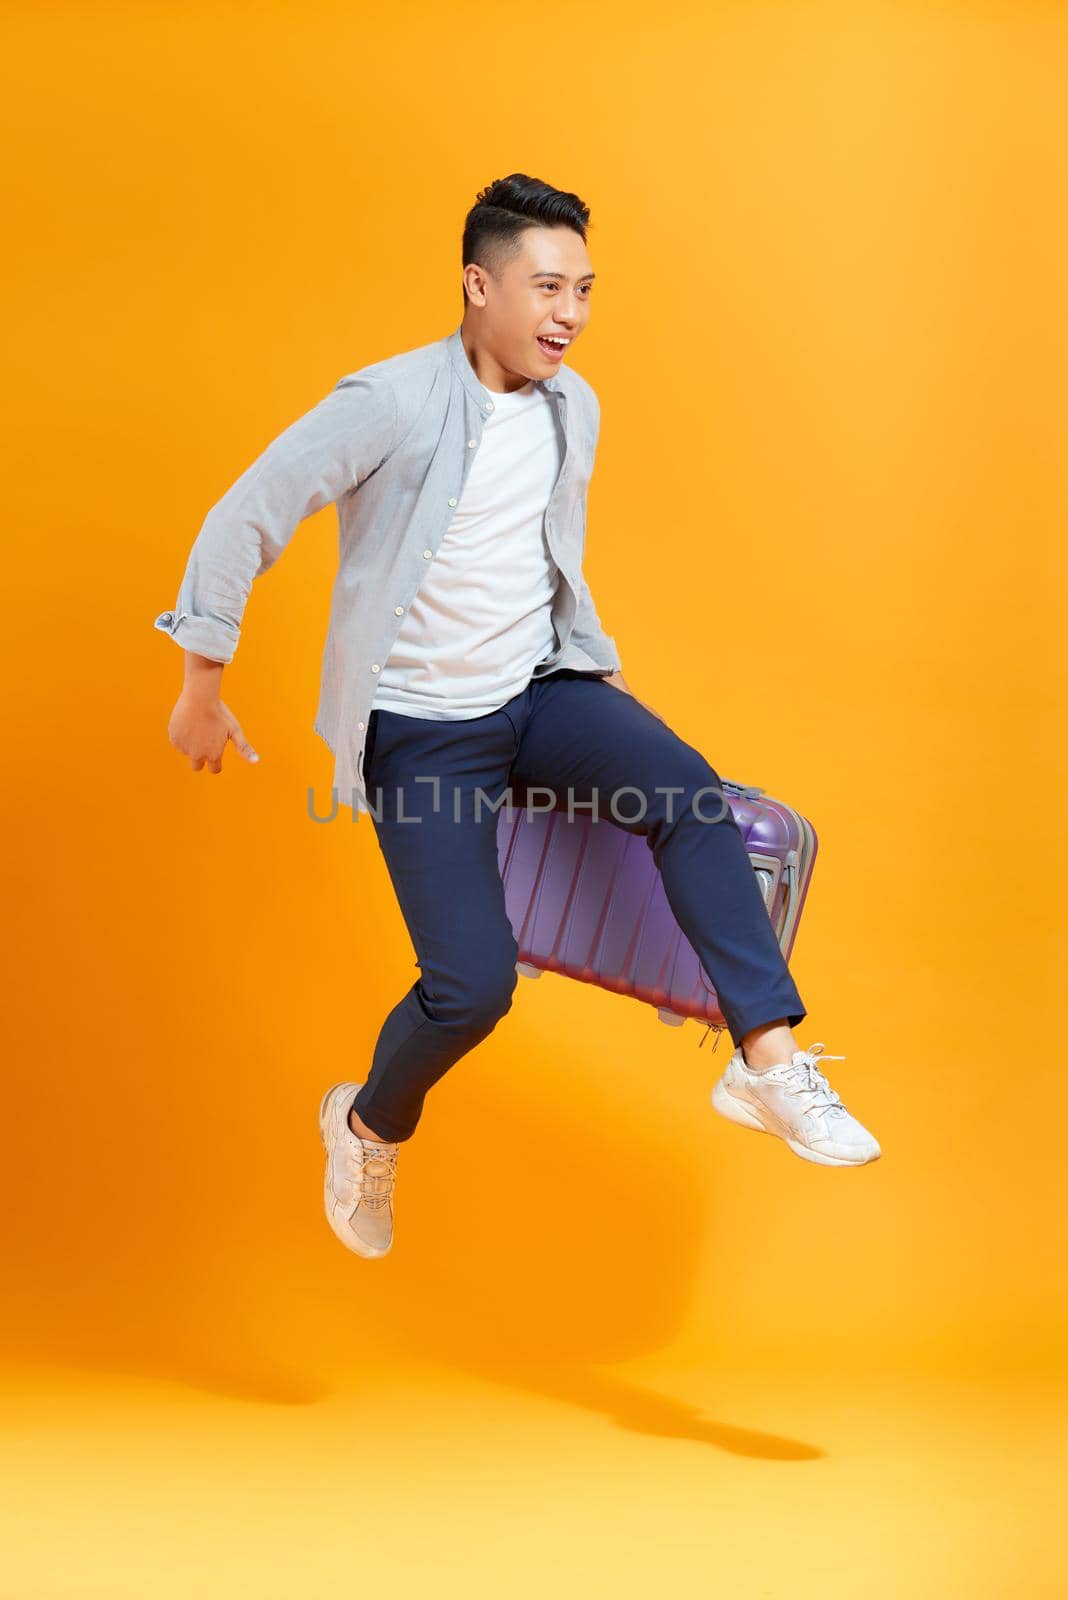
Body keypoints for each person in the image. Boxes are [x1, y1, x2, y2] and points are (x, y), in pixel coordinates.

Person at [155, 173, 882, 1262]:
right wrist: (201, 682)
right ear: (476, 284)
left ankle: (766, 1064)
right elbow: (246, 512)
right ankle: (362, 1124)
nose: (570, 314)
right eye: (548, 287)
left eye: (585, 290)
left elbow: (537, 564)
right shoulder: (390, 401)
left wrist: (585, 682)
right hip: (421, 733)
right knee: (470, 988)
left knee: (692, 795)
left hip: (536, 693)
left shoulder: (571, 406)